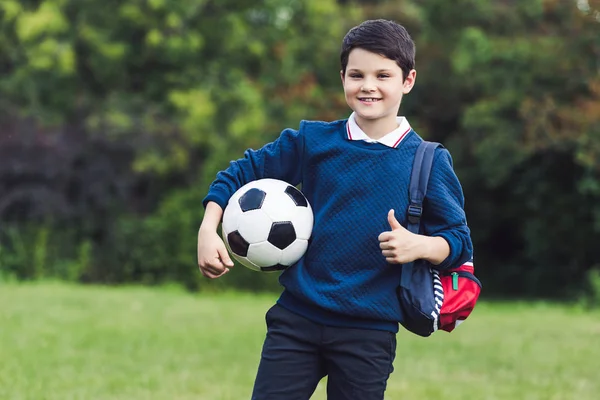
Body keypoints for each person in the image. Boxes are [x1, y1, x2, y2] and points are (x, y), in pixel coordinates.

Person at [197, 19, 473, 400]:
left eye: (383, 75)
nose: (368, 86)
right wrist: (208, 228)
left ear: (407, 80)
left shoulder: (428, 161)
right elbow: (241, 171)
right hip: (297, 318)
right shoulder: (314, 140)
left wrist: (421, 246)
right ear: (342, 76)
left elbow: (458, 241)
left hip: (370, 331)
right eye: (356, 74)